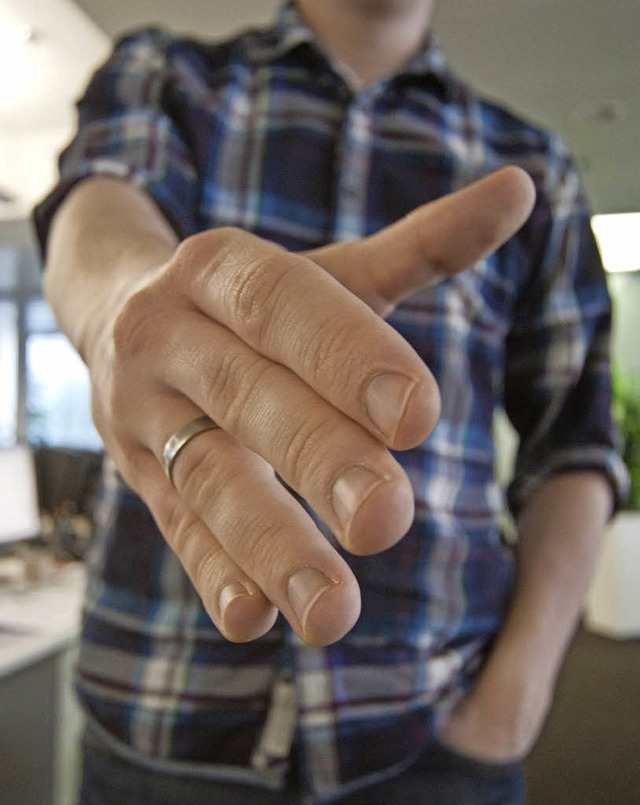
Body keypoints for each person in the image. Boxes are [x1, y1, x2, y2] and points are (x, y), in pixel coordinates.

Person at [34, 1, 628, 803]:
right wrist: (120, 314)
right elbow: (97, 214)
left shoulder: (531, 164)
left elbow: (576, 445)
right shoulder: (167, 78)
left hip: (438, 743)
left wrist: (514, 702)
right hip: (158, 727)